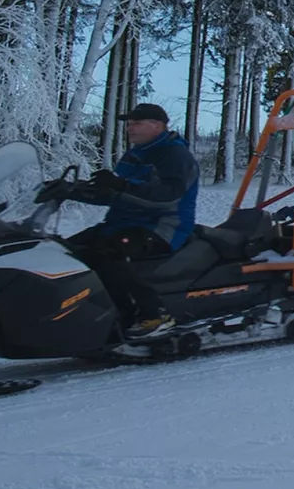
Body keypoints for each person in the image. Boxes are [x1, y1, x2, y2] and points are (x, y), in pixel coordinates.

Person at [65, 103, 200, 339]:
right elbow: (118, 195)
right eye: (128, 124)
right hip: (122, 223)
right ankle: (99, 312)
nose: (130, 129)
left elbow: (169, 196)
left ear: (156, 126)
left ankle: (155, 313)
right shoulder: (135, 155)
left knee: (107, 254)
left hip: (163, 226)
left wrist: (122, 185)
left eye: (136, 123)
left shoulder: (175, 155)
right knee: (66, 250)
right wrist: (72, 191)